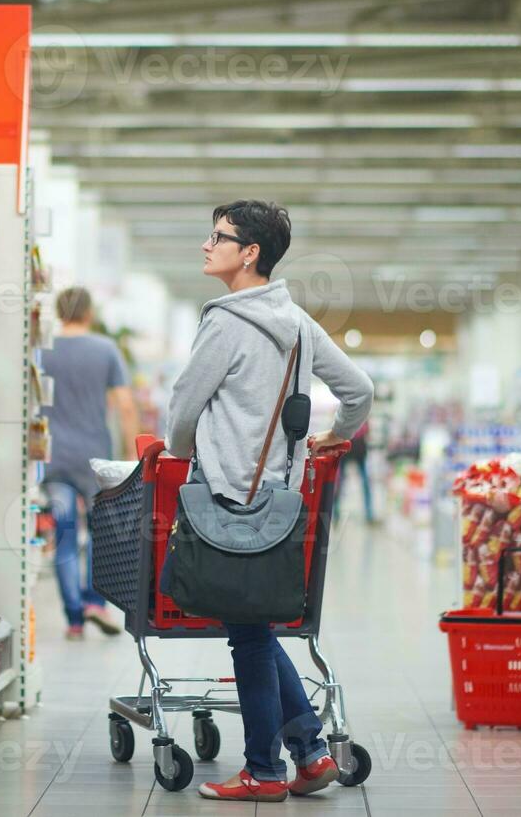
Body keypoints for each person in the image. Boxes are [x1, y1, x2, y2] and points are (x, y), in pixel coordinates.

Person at [165, 201, 374, 803]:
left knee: (249, 635)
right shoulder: (298, 322)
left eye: (218, 237)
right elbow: (358, 390)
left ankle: (264, 771)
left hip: (228, 498)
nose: (207, 246)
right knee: (254, 625)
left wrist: (182, 452)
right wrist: (339, 436)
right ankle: (308, 753)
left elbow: (183, 407)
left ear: (249, 252)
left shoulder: (225, 321)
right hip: (280, 504)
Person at [40, 286, 139, 639]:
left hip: (53, 457)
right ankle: (96, 602)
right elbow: (125, 405)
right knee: (101, 532)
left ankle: (75, 618)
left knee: (64, 534)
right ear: (89, 313)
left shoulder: (43, 350)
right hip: (95, 458)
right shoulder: (105, 349)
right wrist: (133, 451)